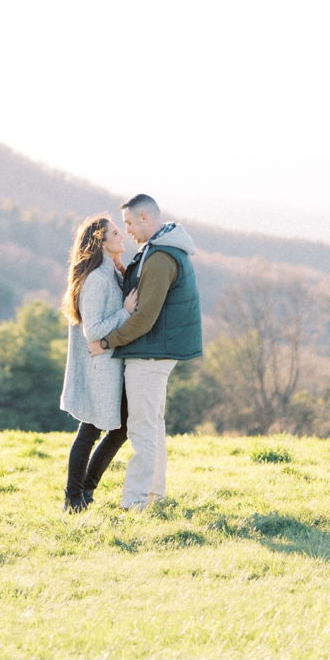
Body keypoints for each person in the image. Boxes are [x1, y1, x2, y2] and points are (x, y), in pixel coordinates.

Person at [88, 194, 202, 509]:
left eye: (128, 223)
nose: (126, 231)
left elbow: (145, 317)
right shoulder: (157, 250)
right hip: (154, 352)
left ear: (144, 219)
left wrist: (106, 341)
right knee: (152, 426)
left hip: (150, 355)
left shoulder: (160, 257)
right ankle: (154, 495)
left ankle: (134, 503)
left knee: (141, 431)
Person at [58, 214, 136, 512]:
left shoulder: (108, 273)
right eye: (116, 233)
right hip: (99, 369)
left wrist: (120, 269)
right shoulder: (95, 280)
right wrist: (126, 312)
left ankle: (85, 491)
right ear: (101, 243)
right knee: (90, 431)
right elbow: (94, 331)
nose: (122, 236)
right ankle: (74, 497)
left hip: (109, 366)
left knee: (120, 427)